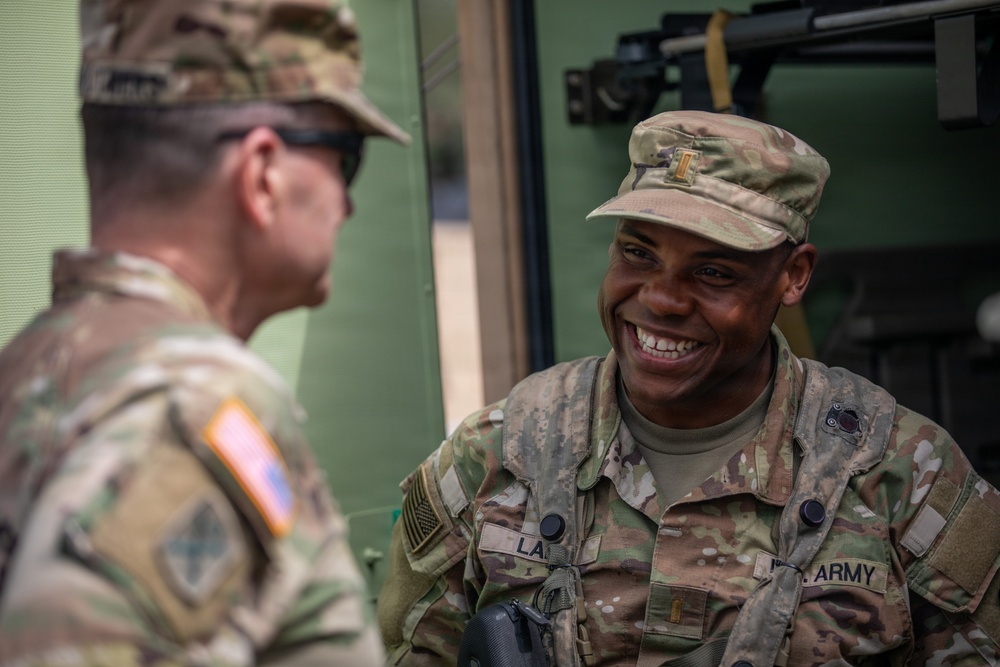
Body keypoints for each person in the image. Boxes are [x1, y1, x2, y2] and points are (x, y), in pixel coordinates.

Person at [377, 111, 1000, 666]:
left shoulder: (902, 474)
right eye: (638, 253)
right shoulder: (495, 457)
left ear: (794, 276)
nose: (661, 300)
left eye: (712, 272)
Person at [0, 0, 410, 664]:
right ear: (262, 174)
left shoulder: (31, 369)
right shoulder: (194, 404)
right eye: (346, 155)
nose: (347, 201)